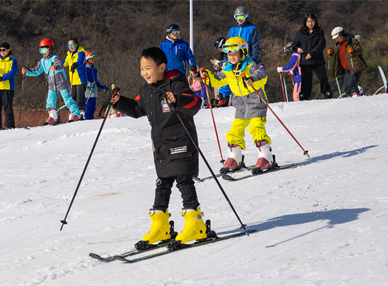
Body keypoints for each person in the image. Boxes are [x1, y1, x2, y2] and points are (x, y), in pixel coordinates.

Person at [109, 47, 208, 249]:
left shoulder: (176, 84)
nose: (144, 72)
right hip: (161, 144)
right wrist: (119, 102)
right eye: (141, 68)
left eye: (148, 68)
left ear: (162, 67)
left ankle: (195, 224)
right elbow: (137, 109)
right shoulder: (146, 90)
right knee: (162, 182)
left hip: (182, 141)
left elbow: (195, 104)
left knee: (184, 180)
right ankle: (160, 226)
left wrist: (177, 99)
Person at [201, 36, 273, 172]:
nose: (231, 57)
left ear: (243, 53)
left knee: (256, 128)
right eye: (229, 54)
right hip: (241, 106)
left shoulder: (250, 65)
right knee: (235, 131)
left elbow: (262, 74)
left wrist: (252, 79)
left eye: (235, 53)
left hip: (256, 103)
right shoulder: (228, 69)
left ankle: (266, 157)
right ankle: (235, 158)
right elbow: (219, 79)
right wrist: (207, 76)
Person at [22, 38, 81, 125]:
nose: (43, 52)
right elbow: (36, 71)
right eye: (41, 50)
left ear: (50, 48)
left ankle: (76, 114)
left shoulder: (54, 58)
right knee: (50, 101)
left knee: (67, 99)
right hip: (52, 84)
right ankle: (53, 116)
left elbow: (60, 65)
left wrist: (56, 67)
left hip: (61, 82)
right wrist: (27, 72)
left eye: (45, 50)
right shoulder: (42, 61)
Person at [292, 12, 333, 99]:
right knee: (306, 80)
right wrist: (297, 48)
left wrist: (312, 53)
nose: (310, 23)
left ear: (315, 21)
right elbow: (294, 44)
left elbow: (321, 44)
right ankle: (304, 95)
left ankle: (327, 92)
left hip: (317, 59)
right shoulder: (300, 33)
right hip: (305, 61)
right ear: (305, 22)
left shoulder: (319, 32)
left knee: (323, 77)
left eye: (312, 21)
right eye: (308, 21)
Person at [329, 27, 368, 98]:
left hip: (354, 67)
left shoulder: (352, 40)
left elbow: (359, 50)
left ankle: (356, 98)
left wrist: (353, 51)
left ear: (341, 34)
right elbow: (339, 56)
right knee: (346, 87)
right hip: (346, 69)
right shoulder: (338, 45)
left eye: (337, 37)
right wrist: (332, 53)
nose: (336, 39)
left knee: (351, 85)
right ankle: (349, 99)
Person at [0, 42, 19, 129]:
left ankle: (9, 125)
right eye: (0, 50)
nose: (2, 52)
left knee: (7, 107)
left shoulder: (12, 60)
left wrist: (2, 78)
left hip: (7, 87)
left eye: (4, 50)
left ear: (8, 50)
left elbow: (13, 73)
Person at [64, 38, 88, 118]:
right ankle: (73, 113)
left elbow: (80, 61)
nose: (70, 47)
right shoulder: (69, 54)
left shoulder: (81, 52)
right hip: (73, 80)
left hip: (80, 79)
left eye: (72, 45)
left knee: (79, 99)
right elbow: (64, 62)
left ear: (76, 44)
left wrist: (75, 64)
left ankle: (81, 113)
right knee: (73, 98)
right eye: (69, 45)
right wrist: (56, 64)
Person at [83, 51, 108, 120]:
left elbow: (97, 81)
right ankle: (85, 124)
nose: (93, 59)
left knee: (92, 111)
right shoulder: (84, 68)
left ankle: (91, 124)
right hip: (87, 94)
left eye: (93, 58)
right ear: (87, 59)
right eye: (91, 58)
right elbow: (84, 80)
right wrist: (90, 84)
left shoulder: (94, 69)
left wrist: (103, 87)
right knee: (87, 112)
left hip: (93, 94)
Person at [210, 37, 232, 107]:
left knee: (225, 83)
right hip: (225, 71)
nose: (219, 50)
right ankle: (222, 98)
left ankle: (224, 98)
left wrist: (217, 63)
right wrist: (217, 66)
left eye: (219, 48)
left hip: (230, 72)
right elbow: (223, 63)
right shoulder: (223, 54)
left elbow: (227, 63)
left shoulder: (228, 52)